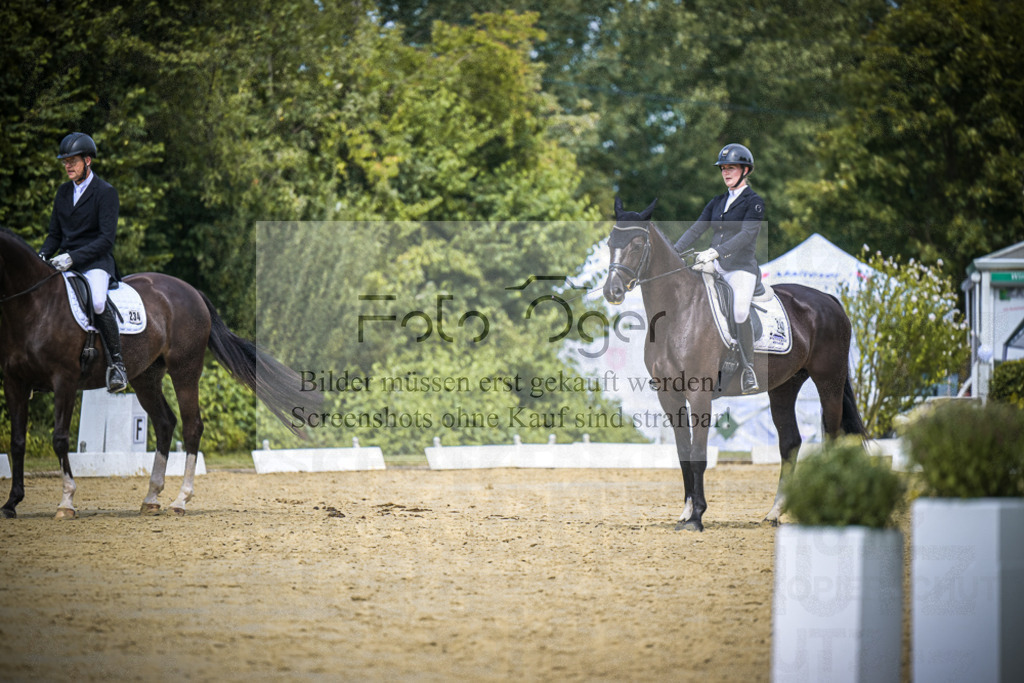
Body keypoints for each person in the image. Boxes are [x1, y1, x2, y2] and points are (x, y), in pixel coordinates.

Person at [38, 132, 128, 392]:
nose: (68, 166)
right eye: (65, 161)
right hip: (65, 261)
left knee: (98, 301)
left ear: (88, 161)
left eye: (73, 161)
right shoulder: (63, 192)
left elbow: (106, 240)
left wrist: (73, 257)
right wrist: (42, 256)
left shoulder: (106, 192)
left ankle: (117, 365)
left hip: (95, 262)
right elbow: (54, 235)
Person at [673, 143, 764, 394]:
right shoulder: (717, 202)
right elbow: (697, 229)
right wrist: (674, 251)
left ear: (745, 170)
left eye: (731, 168)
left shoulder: (754, 202)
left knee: (739, 311)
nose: (726, 173)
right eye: (723, 168)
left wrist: (716, 252)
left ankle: (748, 368)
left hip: (741, 269)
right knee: (688, 302)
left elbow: (747, 235)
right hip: (714, 267)